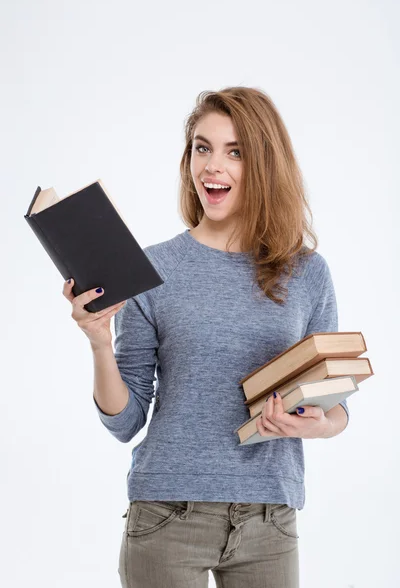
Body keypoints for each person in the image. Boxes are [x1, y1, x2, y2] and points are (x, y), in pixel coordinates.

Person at [63, 86, 349, 588]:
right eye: (202, 147)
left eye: (234, 152)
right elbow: (125, 422)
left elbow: (338, 406)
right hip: (167, 515)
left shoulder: (307, 272)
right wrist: (98, 342)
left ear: (263, 165)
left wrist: (313, 426)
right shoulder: (153, 268)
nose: (212, 166)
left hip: (269, 518)